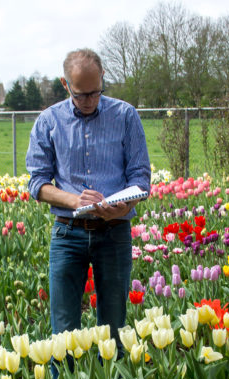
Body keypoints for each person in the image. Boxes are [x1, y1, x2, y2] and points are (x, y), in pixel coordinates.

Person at [25, 48, 151, 351]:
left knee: (114, 330)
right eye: (81, 95)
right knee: (63, 332)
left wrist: (124, 205)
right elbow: (37, 183)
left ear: (103, 78)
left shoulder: (125, 115)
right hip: (68, 233)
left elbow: (140, 176)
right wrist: (74, 200)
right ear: (65, 83)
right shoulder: (49, 121)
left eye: (96, 92)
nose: (89, 101)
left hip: (115, 232)